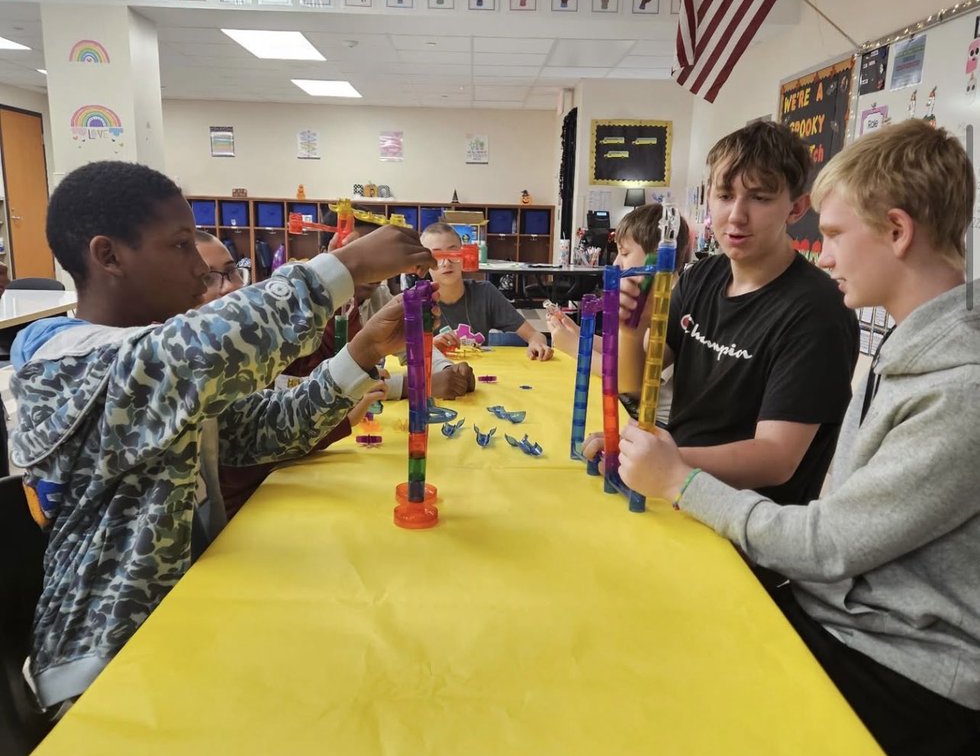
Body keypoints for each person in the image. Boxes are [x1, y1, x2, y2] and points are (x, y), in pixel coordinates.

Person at [615, 120, 980, 756]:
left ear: (896, 232)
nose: (828, 255)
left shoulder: (959, 390)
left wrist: (679, 480)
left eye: (836, 237)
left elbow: (827, 544)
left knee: (664, 699)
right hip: (845, 617)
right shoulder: (912, 352)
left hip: (914, 676)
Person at [9, 160, 434, 712]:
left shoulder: (158, 368)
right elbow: (200, 349)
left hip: (194, 624)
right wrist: (347, 264)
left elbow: (263, 429)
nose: (200, 273)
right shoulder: (66, 365)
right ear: (108, 255)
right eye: (181, 247)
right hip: (104, 669)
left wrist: (362, 352)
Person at [617, 119, 859, 505]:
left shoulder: (817, 312)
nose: (736, 215)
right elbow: (636, 387)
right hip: (679, 494)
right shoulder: (703, 276)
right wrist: (631, 331)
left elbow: (776, 458)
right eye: (725, 195)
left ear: (796, 207)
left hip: (749, 529)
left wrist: (666, 462)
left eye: (760, 198)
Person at [193, 226, 473, 520]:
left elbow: (269, 424)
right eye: (206, 277)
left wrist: (367, 349)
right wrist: (347, 265)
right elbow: (278, 380)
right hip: (246, 519)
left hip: (259, 510)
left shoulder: (352, 309)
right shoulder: (162, 369)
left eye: (231, 272)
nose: (230, 288)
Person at [546, 204, 691, 426]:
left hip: (654, 424)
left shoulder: (665, 303)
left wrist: (574, 348)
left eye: (624, 253)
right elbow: (621, 350)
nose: (615, 263)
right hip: (634, 412)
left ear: (658, 256)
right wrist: (578, 334)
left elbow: (625, 378)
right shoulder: (656, 294)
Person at [419, 221, 553, 360]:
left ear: (464, 255)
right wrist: (429, 347)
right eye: (437, 257)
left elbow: (534, 334)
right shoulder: (418, 301)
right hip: (437, 375)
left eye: (453, 253)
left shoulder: (485, 293)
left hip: (480, 375)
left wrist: (537, 344)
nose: (446, 263)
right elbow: (403, 353)